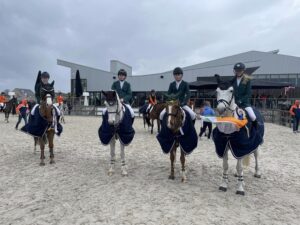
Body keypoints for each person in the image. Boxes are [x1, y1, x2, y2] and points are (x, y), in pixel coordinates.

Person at [232, 62, 258, 129]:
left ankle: (256, 130)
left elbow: (248, 93)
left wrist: (241, 101)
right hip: (234, 103)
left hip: (244, 103)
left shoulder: (247, 79)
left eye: (240, 70)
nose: (238, 72)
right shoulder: (233, 80)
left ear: (243, 71)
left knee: (252, 116)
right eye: (236, 70)